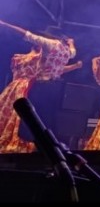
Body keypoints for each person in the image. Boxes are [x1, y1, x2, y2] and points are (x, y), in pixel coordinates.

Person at [0, 20, 81, 153]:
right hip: (54, 89)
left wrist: (5, 25)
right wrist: (72, 45)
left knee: (30, 117)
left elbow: (28, 35)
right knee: (45, 120)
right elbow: (73, 53)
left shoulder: (50, 44)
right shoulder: (67, 51)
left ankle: (27, 142)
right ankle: (41, 147)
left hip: (40, 86)